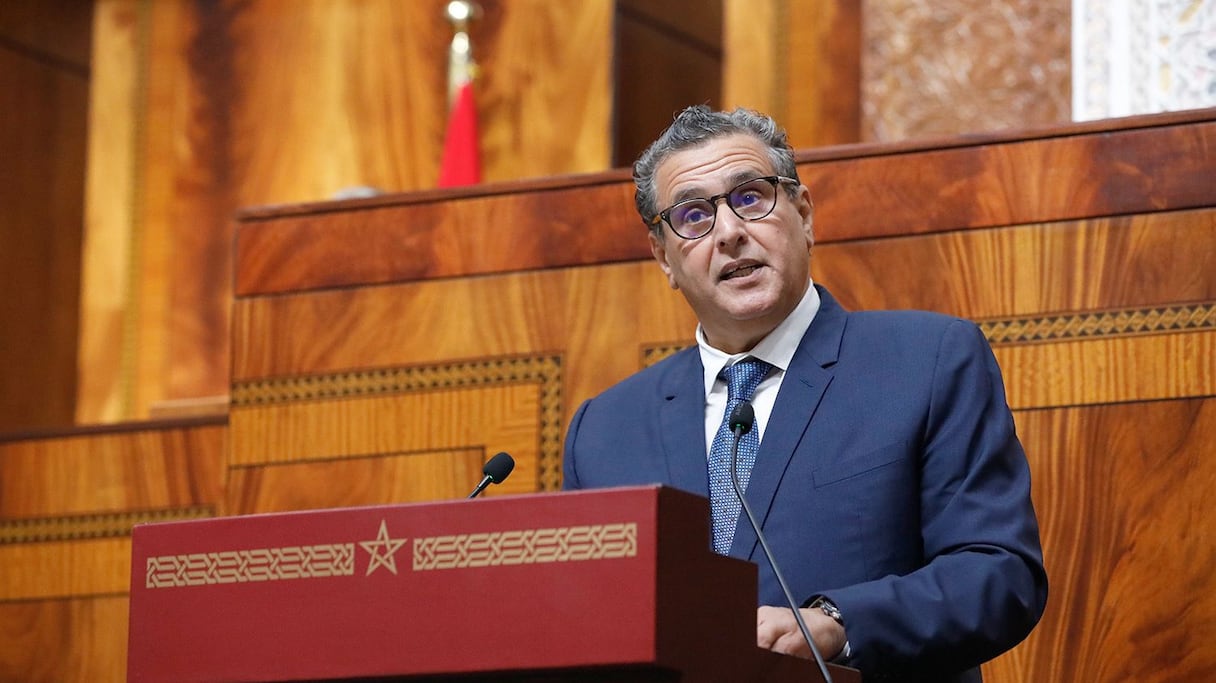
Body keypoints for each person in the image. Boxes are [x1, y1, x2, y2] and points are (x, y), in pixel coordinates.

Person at [561, 105, 1047, 682]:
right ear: (664, 257)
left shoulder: (928, 361)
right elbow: (583, 628)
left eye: (750, 197)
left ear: (804, 214)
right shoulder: (605, 429)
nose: (730, 233)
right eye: (693, 216)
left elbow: (998, 575)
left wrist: (839, 623)